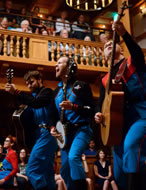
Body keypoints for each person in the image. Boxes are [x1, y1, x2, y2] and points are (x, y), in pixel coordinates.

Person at [94, 20, 146, 190]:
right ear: (104, 57)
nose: (109, 44)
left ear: (121, 49)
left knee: (131, 147)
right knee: (119, 169)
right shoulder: (104, 79)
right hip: (118, 124)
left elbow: (137, 52)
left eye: (112, 43)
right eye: (106, 46)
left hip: (141, 114)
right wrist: (98, 114)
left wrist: (124, 34)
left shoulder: (133, 61)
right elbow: (101, 102)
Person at [5, 70, 58, 190]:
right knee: (47, 172)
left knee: (31, 170)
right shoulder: (32, 97)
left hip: (48, 133)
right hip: (39, 136)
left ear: (40, 80)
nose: (29, 85)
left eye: (32, 82)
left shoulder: (47, 92)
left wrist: (17, 92)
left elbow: (36, 103)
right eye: (27, 83)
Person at [51, 56, 95, 190]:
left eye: (59, 62)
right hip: (64, 135)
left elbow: (91, 110)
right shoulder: (57, 91)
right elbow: (53, 115)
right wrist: (53, 127)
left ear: (69, 66)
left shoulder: (81, 86)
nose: (55, 65)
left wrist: (74, 107)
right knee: (64, 169)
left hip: (81, 130)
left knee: (73, 157)